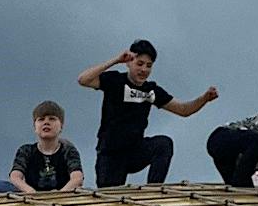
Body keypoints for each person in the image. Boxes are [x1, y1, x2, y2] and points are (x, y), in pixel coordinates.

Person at [79, 42, 219, 188]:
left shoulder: (151, 90)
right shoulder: (115, 81)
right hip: (111, 153)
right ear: (129, 63)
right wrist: (116, 60)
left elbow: (183, 109)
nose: (143, 69)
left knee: (163, 144)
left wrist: (204, 99)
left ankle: (154, 189)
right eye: (140, 64)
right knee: (109, 201)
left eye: (148, 65)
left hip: (135, 150)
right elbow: (83, 79)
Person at [0, 101, 85, 196]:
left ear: (61, 126)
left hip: (63, 192)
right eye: (41, 119)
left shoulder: (68, 150)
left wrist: (60, 194)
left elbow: (77, 178)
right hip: (31, 193)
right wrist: (30, 192)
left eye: (52, 119)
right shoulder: (26, 150)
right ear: (35, 127)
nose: (46, 122)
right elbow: (15, 177)